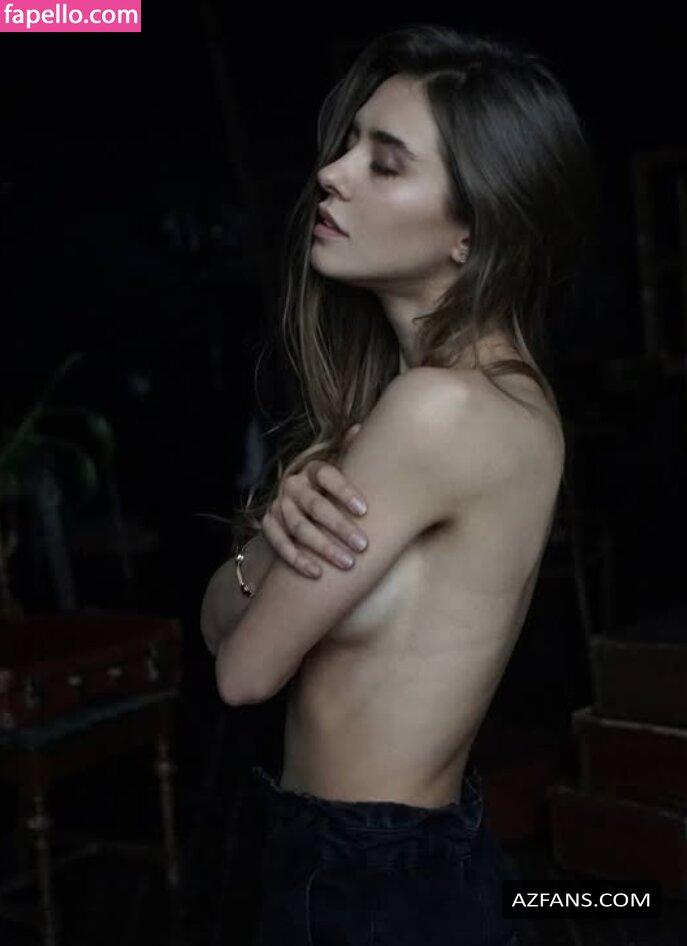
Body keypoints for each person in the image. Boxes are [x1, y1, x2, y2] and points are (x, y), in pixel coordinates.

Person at [201, 22, 597, 946]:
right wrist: (275, 534)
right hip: (426, 861)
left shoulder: (433, 412)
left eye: (383, 163)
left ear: (473, 230)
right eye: (347, 146)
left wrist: (265, 539)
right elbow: (231, 631)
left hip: (361, 883)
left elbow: (241, 671)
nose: (331, 174)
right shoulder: (514, 399)